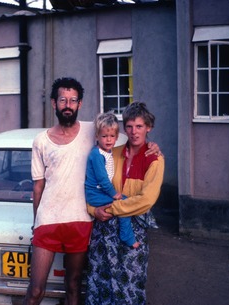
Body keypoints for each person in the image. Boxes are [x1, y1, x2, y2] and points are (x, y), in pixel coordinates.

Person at [85, 102, 164, 305]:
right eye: (129, 126)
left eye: (139, 126)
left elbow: (146, 200)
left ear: (149, 128)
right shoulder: (113, 151)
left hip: (132, 229)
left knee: (130, 286)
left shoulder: (154, 158)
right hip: (103, 229)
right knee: (100, 284)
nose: (134, 132)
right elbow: (94, 184)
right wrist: (93, 210)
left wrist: (113, 209)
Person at [24, 77, 94, 305]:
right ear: (54, 103)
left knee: (73, 287)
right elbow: (38, 186)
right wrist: (36, 223)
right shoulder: (41, 141)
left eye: (73, 100)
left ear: (80, 104)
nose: (68, 105)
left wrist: (149, 146)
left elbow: (126, 138)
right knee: (35, 291)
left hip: (80, 220)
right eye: (63, 99)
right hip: (48, 220)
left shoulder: (92, 131)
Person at [85, 112, 139, 248]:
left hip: (101, 193)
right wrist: (114, 194)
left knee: (126, 200)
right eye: (104, 136)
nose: (108, 140)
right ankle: (126, 236)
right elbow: (102, 180)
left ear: (116, 137)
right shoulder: (97, 154)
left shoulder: (108, 151)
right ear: (97, 136)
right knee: (123, 204)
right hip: (95, 194)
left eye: (112, 136)